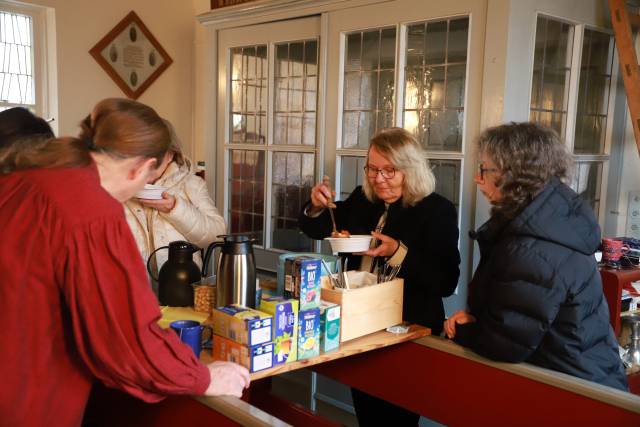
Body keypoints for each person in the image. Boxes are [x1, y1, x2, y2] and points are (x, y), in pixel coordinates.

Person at [0, 98, 250, 427]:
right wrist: (203, 377)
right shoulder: (91, 209)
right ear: (140, 168)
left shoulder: (25, 180)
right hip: (27, 394)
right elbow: (123, 338)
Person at [444, 122, 628, 391]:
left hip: (576, 391)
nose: (477, 178)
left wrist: (463, 331)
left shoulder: (532, 247)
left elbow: (508, 343)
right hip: (588, 374)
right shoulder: (552, 215)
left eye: (484, 169)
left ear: (514, 175)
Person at [299, 127, 461, 425]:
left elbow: (446, 280)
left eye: (390, 171)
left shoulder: (437, 210)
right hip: (360, 325)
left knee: (397, 420)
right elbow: (318, 227)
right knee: (368, 414)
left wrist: (398, 251)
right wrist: (316, 207)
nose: (379, 178)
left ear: (410, 170)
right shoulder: (365, 198)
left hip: (407, 329)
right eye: (372, 169)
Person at [124, 119, 225, 293]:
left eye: (154, 159)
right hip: (132, 295)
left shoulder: (191, 184)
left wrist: (175, 209)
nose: (145, 166)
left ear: (170, 154)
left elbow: (216, 234)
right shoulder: (118, 188)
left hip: (181, 290)